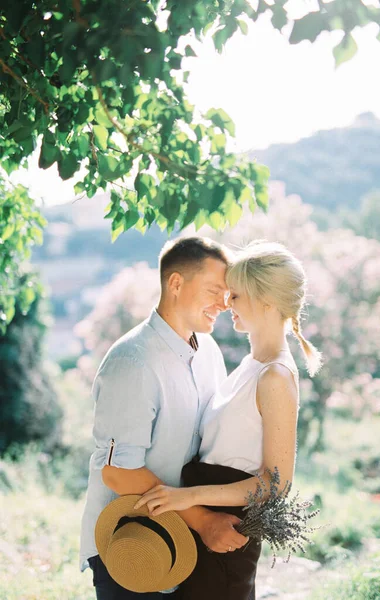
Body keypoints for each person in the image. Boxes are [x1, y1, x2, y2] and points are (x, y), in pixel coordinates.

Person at [135, 240, 323, 600]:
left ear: (266, 302)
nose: (225, 304)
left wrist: (187, 498)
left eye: (235, 296)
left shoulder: (276, 378)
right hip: (204, 522)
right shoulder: (249, 365)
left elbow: (275, 485)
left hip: (228, 528)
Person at [79, 236, 249, 600]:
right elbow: (119, 471)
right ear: (175, 283)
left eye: (227, 293)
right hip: (129, 543)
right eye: (214, 290)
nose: (224, 303)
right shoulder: (133, 361)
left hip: (180, 543)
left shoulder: (209, 352)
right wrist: (203, 520)